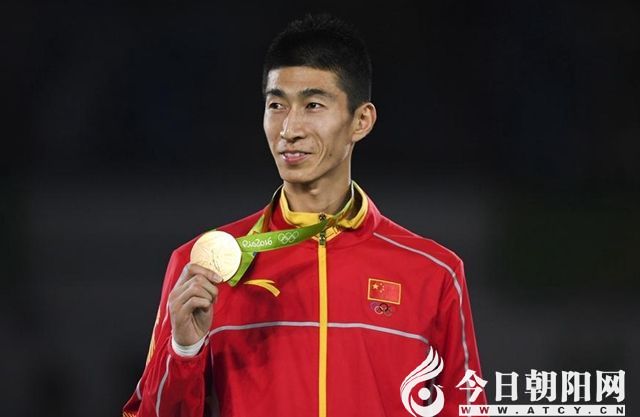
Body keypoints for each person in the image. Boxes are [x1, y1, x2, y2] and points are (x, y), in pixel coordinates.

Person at [123, 14, 485, 417]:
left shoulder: (433, 272)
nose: (289, 129)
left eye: (313, 105)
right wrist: (185, 349)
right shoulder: (203, 266)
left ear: (361, 121)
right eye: (276, 105)